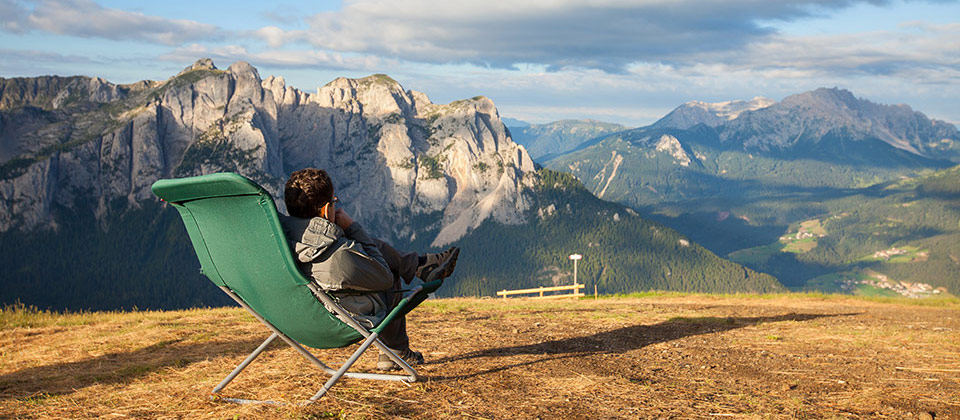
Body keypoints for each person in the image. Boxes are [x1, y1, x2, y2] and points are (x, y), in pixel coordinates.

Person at [279, 168, 459, 371]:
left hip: (290, 318)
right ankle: (397, 352)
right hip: (331, 321)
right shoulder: (339, 255)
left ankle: (419, 265)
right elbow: (383, 276)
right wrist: (353, 228)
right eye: (334, 201)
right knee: (389, 272)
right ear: (328, 208)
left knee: (364, 256)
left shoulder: (278, 242)